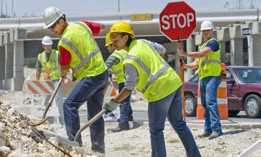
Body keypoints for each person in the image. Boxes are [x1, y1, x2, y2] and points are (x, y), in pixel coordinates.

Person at [103, 21, 201, 157]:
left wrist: (115, 102)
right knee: (179, 124)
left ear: (126, 37)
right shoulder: (142, 42)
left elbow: (129, 88)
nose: (114, 44)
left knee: (156, 130)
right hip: (174, 82)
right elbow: (162, 49)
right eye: (112, 41)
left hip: (159, 91)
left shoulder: (130, 60)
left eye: (116, 40)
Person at [42, 6, 108, 153]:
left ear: (61, 21)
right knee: (95, 113)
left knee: (69, 105)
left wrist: (64, 73)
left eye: (53, 26)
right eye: (49, 28)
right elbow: (102, 27)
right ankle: (98, 150)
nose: (52, 30)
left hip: (91, 76)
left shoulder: (63, 42)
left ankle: (74, 146)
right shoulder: (82, 25)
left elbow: (64, 68)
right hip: (102, 74)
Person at [104, 33, 166, 132]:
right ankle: (129, 119)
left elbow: (104, 68)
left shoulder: (114, 56)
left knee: (123, 102)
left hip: (123, 82)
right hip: (131, 80)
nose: (107, 49)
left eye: (108, 46)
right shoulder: (126, 51)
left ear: (112, 45)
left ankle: (123, 124)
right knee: (126, 102)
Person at [177, 20, 223, 140]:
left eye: (208, 30)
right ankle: (208, 130)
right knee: (205, 104)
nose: (206, 32)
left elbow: (201, 54)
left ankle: (216, 130)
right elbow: (196, 63)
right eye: (204, 31)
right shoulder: (203, 45)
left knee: (211, 102)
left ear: (212, 31)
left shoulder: (214, 43)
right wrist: (185, 66)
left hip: (213, 76)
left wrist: (185, 53)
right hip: (203, 78)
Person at [35, 36, 64, 125]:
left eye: (50, 45)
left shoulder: (57, 54)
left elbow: (63, 65)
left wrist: (63, 76)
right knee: (47, 101)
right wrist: (37, 81)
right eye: (46, 45)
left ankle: (62, 122)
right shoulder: (40, 56)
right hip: (46, 81)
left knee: (59, 100)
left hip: (56, 80)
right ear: (43, 46)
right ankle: (49, 121)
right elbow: (38, 69)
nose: (48, 47)